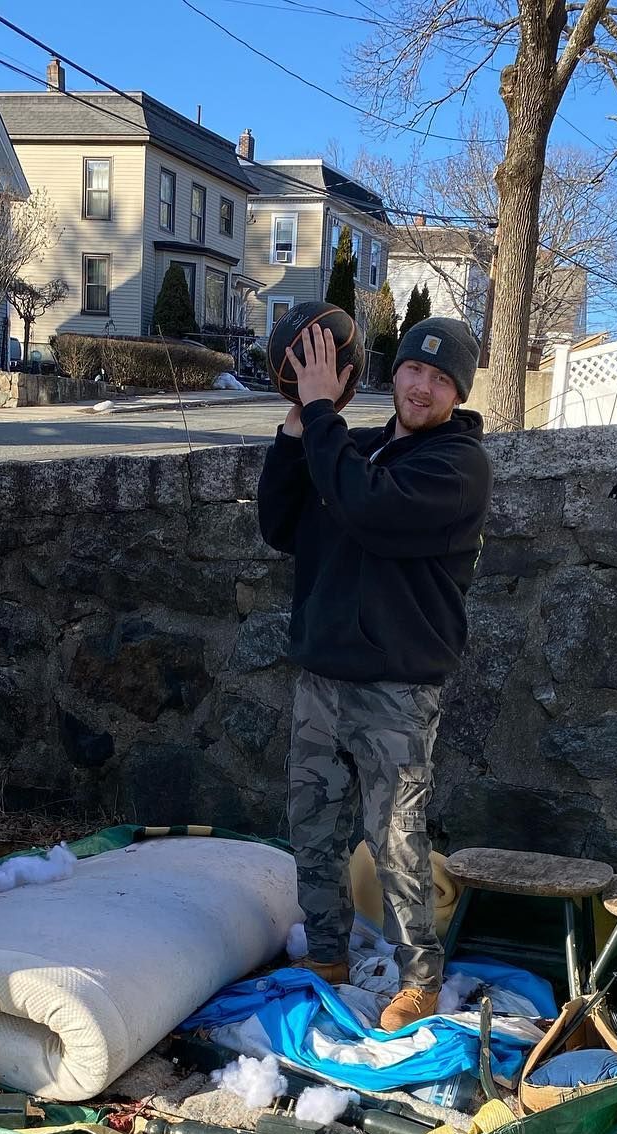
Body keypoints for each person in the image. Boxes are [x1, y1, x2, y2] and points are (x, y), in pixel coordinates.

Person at [257, 315, 493, 1032]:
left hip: (396, 686)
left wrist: (325, 412)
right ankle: (327, 952)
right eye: (414, 371)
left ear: (457, 394)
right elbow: (277, 523)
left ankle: (420, 975)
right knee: (313, 826)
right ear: (394, 374)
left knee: (395, 834)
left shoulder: (456, 467)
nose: (421, 386)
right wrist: (299, 427)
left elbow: (367, 508)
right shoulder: (351, 448)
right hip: (322, 677)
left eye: (440, 379)